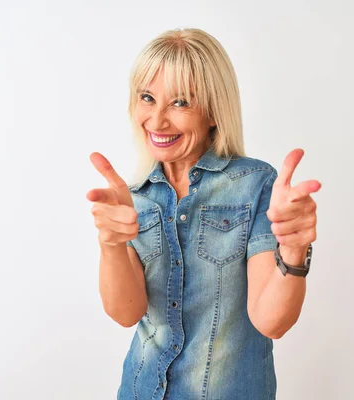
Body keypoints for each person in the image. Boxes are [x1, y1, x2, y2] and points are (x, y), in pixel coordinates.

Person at [87, 28, 321, 400]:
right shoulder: (132, 199)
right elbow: (125, 313)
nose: (157, 121)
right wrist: (111, 244)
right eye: (147, 98)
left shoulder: (255, 185)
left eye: (180, 103)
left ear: (214, 111)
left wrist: (293, 252)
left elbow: (271, 322)